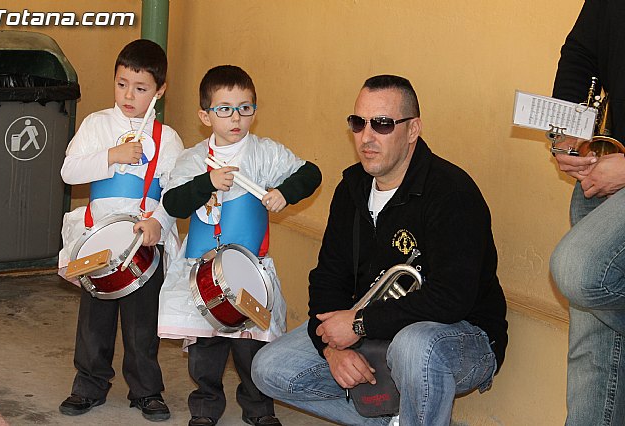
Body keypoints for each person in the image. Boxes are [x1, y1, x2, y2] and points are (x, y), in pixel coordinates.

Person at [251, 75, 508, 426]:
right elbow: (328, 277)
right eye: (359, 123)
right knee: (268, 368)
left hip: (462, 337)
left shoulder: (451, 193)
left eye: (383, 124)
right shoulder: (351, 188)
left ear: (413, 129)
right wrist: (332, 349)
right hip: (375, 330)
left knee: (414, 347)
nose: (367, 137)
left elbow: (453, 298)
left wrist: (359, 324)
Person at [158, 65, 322, 426]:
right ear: (205, 115)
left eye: (245, 108)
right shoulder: (192, 158)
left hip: (251, 271)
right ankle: (205, 407)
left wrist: (284, 193)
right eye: (225, 109)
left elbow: (311, 173)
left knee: (252, 347)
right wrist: (207, 182)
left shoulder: (264, 153)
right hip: (201, 274)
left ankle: (259, 409)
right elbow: (172, 203)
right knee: (206, 349)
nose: (236, 117)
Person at [57, 39, 184, 421]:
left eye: (141, 88)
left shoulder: (169, 139)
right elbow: (69, 172)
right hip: (99, 242)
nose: (129, 95)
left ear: (159, 90)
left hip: (143, 244)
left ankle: (146, 391)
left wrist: (156, 223)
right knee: (94, 322)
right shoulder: (97, 125)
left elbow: (175, 195)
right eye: (122, 84)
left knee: (141, 326)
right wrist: (111, 156)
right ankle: (89, 385)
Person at [548, 1, 625, 424]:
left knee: (579, 270)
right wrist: (570, 132)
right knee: (592, 342)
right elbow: (580, 52)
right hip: (606, 162)